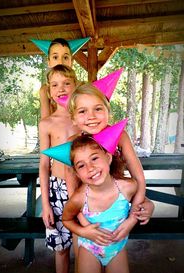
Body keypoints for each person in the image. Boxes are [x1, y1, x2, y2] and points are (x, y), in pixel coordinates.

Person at [66, 83, 154, 223]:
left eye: (98, 109)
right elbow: (72, 191)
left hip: (118, 203)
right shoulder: (72, 144)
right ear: (73, 118)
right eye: (83, 111)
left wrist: (132, 217)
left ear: (108, 111)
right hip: (87, 208)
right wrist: (84, 224)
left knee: (118, 240)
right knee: (81, 243)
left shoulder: (120, 136)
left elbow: (138, 177)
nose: (91, 116)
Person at [63, 134, 138, 273]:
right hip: (89, 248)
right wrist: (83, 232)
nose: (90, 167)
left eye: (94, 158)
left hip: (117, 248)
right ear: (78, 174)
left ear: (108, 158)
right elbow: (66, 218)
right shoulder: (79, 198)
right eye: (81, 165)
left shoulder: (127, 187)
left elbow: (142, 202)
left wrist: (150, 207)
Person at [39, 64, 80, 273]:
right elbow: (44, 165)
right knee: (61, 249)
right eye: (54, 85)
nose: (61, 88)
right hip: (57, 190)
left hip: (82, 187)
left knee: (83, 246)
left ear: (76, 86)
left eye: (66, 83)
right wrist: (45, 204)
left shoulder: (82, 118)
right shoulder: (46, 123)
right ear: (49, 90)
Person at [40, 38, 73, 119]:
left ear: (71, 62)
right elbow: (45, 122)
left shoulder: (80, 86)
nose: (60, 62)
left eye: (65, 57)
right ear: (49, 62)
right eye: (55, 57)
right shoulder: (44, 90)